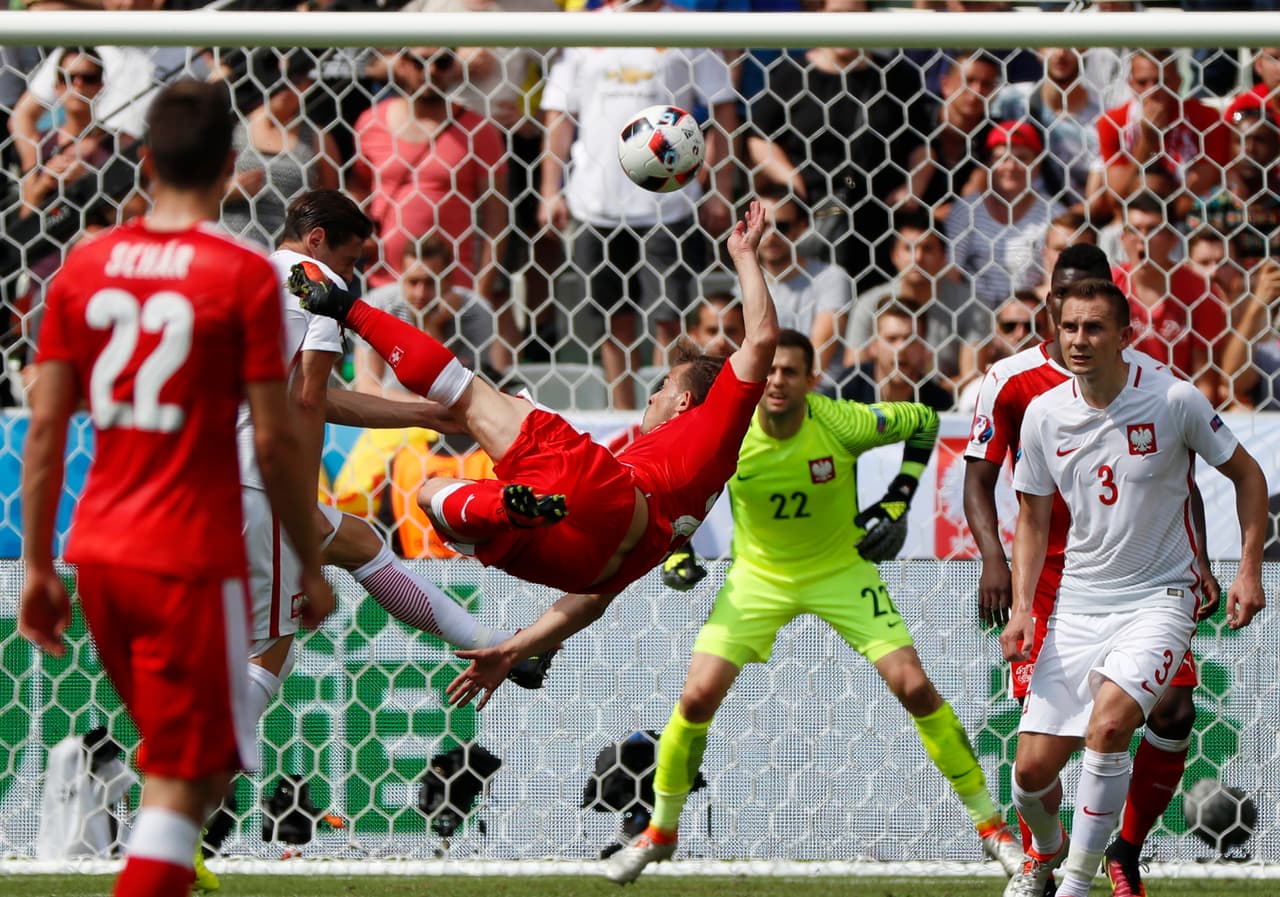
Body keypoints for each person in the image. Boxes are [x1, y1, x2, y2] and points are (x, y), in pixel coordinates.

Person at [19, 79, 333, 897]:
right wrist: (310, 562)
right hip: (187, 558)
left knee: (182, 764)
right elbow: (273, 436)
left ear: (146, 161)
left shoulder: (83, 270)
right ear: (232, 166)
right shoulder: (242, 275)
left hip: (100, 555)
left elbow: (47, 430)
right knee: (188, 779)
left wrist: (40, 569)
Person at [295, 201, 779, 703]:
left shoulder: (717, 418)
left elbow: (761, 337)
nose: (651, 396)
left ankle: (343, 306)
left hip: (601, 493)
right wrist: (513, 650)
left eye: (662, 386)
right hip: (580, 565)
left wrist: (745, 254)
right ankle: (501, 507)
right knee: (431, 496)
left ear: (685, 401)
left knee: (465, 390)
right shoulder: (691, 497)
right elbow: (593, 600)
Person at [603, 329, 1023, 884]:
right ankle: (659, 834)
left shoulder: (841, 422)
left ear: (811, 379)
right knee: (697, 695)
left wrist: (897, 499)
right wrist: (674, 551)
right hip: (758, 577)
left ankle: (994, 832)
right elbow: (679, 485)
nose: (777, 381)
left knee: (915, 687)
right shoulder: (730, 428)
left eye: (791, 372)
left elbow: (922, 423)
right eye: (770, 371)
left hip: (838, 572)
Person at [963, 244, 1220, 897]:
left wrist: (1204, 559)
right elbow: (979, 475)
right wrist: (994, 556)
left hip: (1143, 576)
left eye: (1094, 307)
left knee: (1173, 709)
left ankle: (1122, 853)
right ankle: (1044, 858)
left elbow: (1176, 475)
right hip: (1052, 585)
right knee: (1038, 761)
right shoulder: (1009, 380)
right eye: (1067, 309)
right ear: (1052, 309)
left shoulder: (1147, 377)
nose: (1080, 326)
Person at [999, 277, 1267, 897]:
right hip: (1078, 606)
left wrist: (1247, 568)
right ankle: (1049, 848)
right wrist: (1020, 609)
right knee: (1030, 777)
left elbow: (1246, 476)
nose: (1079, 340)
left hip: (1160, 599)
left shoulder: (1173, 400)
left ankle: (1078, 884)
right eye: (1069, 328)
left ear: (1125, 336)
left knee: (1110, 730)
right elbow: (1033, 519)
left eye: (1094, 328)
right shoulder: (1044, 415)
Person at [539, 0, 737, 408]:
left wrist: (720, 187)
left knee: (670, 320)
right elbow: (559, 114)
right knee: (613, 322)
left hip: (669, 204)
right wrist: (548, 189)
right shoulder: (585, 32)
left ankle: (669, 412)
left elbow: (723, 108)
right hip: (595, 202)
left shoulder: (686, 28)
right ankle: (625, 414)